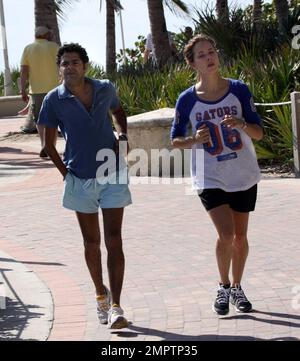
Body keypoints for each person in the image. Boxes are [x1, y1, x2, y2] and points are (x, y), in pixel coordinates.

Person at [38, 43, 132, 329]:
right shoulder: (54, 99)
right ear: (60, 69)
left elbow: (119, 111)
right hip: (79, 178)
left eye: (75, 62)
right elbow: (48, 145)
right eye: (65, 63)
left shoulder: (104, 88)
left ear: (85, 66)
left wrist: (123, 136)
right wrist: (66, 174)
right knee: (92, 242)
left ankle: (116, 306)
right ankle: (100, 294)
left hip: (111, 171)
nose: (70, 67)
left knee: (114, 239)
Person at [170, 34, 263, 316]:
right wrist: (194, 139)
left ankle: (237, 287)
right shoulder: (186, 100)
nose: (209, 57)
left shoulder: (239, 90)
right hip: (209, 176)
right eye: (202, 55)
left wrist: (242, 124)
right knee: (226, 234)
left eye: (212, 51)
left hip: (242, 173)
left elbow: (258, 133)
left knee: (241, 236)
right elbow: (175, 140)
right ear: (192, 63)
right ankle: (223, 287)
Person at [20, 26, 60, 157]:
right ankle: (51, 146)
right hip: (55, 89)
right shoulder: (55, 47)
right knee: (53, 119)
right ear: (47, 35)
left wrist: (22, 89)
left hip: (36, 91)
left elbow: (24, 71)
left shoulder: (28, 48)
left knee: (40, 120)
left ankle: (44, 144)